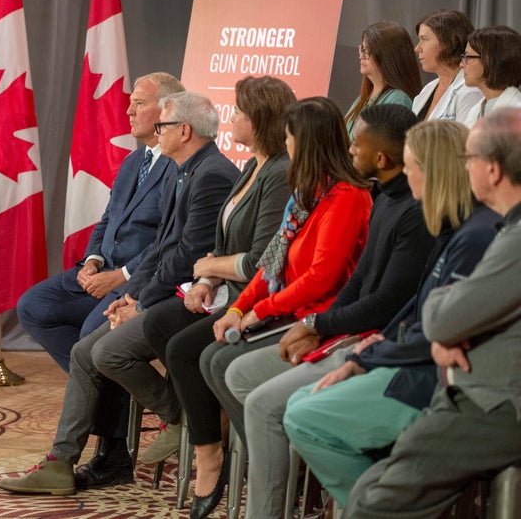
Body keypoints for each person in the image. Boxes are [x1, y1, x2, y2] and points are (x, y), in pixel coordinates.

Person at [0, 91, 240, 495]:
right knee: (79, 349)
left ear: (184, 130)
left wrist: (136, 298)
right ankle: (61, 462)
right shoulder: (185, 169)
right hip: (153, 287)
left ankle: (183, 413)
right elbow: (160, 246)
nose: (156, 132)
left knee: (101, 351)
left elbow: (185, 257)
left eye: (162, 125)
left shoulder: (210, 173)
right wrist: (133, 296)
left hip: (195, 297)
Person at [92, 75, 296, 517]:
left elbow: (260, 258)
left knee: (184, 349)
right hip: (222, 294)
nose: (232, 119)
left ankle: (207, 445)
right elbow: (209, 247)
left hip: (258, 302)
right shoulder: (248, 169)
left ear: (259, 119)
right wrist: (206, 282)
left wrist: (208, 272)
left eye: (240, 112)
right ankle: (194, 422)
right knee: (160, 327)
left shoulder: (275, 173)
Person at [160, 96, 372, 518]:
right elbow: (269, 265)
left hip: (316, 317)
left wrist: (260, 310)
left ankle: (279, 463)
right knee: (209, 358)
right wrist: (239, 308)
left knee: (220, 361)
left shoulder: (346, 196)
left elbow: (321, 278)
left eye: (291, 137)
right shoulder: (305, 194)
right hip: (286, 306)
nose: (286, 143)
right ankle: (268, 456)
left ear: (306, 142)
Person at [222, 104, 435, 518]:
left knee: (267, 402)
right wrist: (313, 326)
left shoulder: (402, 209)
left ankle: (298, 499)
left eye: (359, 140)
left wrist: (316, 323)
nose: (351, 145)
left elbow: (382, 301)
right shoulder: (384, 199)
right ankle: (285, 481)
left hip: (370, 342)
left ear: (382, 158)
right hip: (344, 329)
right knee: (235, 372)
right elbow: (356, 285)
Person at [284, 119, 500, 511]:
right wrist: (368, 349)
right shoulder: (455, 227)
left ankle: (369, 507)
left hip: (427, 380)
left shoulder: (475, 234)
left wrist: (368, 356)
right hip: (407, 359)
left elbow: (439, 330)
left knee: (304, 416)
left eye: (412, 164)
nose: (406, 172)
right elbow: (419, 307)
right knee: (299, 402)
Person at [342, 107, 521, 519]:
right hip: (471, 387)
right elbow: (445, 313)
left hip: (493, 402)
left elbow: (438, 316)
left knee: (372, 502)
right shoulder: (497, 227)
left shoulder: (503, 235)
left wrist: (444, 328)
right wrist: (445, 328)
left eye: (469, 159)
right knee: (369, 488)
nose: (464, 168)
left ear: (492, 170)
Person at [16, 73, 184, 372]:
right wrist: (92, 260)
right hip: (101, 273)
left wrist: (121, 275)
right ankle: (101, 391)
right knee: (34, 306)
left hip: (139, 281)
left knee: (90, 340)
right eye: (130, 104)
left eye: (138, 104)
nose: (128, 111)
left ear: (166, 110)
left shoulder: (178, 165)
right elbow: (109, 218)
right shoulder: (134, 161)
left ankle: (103, 398)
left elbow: (169, 238)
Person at [345, 21, 422, 136]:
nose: (361, 56)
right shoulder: (363, 98)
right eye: (362, 49)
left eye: (366, 51)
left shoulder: (398, 100)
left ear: (387, 56)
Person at [412, 9, 483, 121]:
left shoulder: (471, 92)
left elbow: (464, 138)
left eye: (424, 39)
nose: (417, 48)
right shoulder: (427, 90)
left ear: (449, 43)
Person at [461, 26, 521, 127]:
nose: (461, 64)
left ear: (491, 61)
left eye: (468, 57)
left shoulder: (517, 111)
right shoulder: (475, 111)